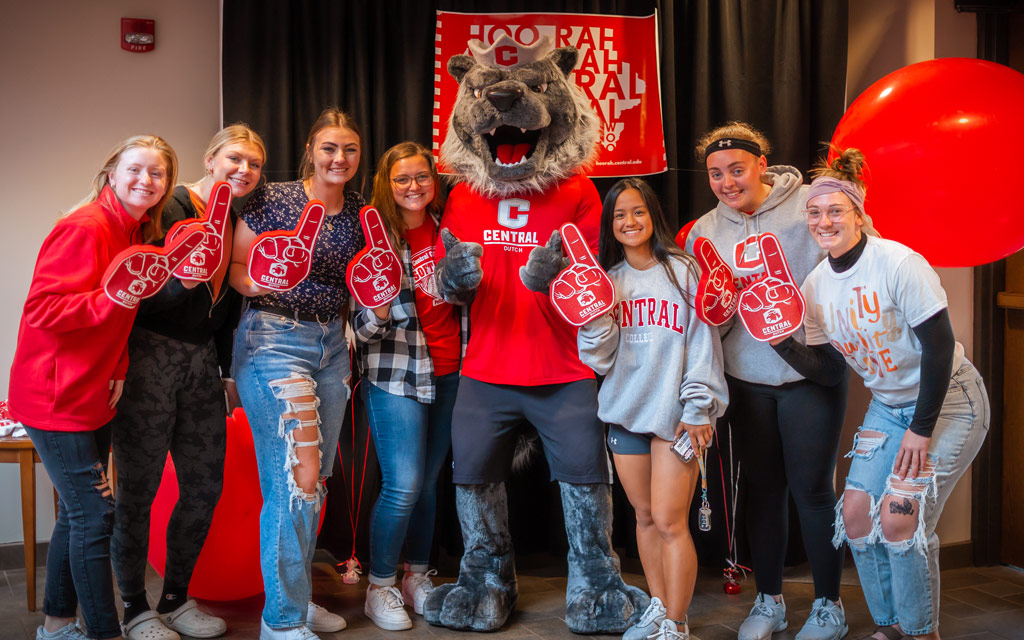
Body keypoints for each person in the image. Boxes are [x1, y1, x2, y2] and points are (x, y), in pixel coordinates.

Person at [770, 148, 989, 640]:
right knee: (854, 516)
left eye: (835, 211)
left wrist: (921, 430)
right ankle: (891, 625)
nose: (824, 221)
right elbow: (828, 371)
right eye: (814, 212)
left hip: (948, 400)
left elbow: (936, 350)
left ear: (859, 215)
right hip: (889, 406)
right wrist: (780, 342)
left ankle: (920, 632)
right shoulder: (815, 285)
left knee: (899, 521)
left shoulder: (898, 263)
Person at [8, 135, 178, 640]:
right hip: (54, 395)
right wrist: (113, 297)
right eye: (136, 169)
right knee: (96, 512)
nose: (146, 180)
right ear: (112, 173)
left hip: (94, 390)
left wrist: (120, 365)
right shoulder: (85, 227)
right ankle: (105, 632)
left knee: (78, 514)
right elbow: (42, 309)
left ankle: (58, 626)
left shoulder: (136, 230)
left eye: (157, 173)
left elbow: (118, 317)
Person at [683, 122, 849, 640]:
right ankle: (770, 600)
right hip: (747, 379)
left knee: (814, 492)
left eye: (737, 169)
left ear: (761, 164)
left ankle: (829, 606)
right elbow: (706, 315)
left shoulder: (809, 204)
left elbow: (856, 260)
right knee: (762, 491)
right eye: (715, 173)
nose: (728, 182)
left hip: (810, 373)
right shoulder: (705, 230)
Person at [109, 125, 266, 640]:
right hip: (150, 359)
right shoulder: (172, 205)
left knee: (203, 487)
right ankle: (134, 607)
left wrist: (223, 371)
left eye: (255, 164)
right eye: (235, 159)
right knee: (138, 490)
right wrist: (182, 283)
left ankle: (175, 597)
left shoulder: (239, 220)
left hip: (201, 366)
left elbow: (225, 308)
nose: (244, 170)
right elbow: (139, 291)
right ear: (211, 159)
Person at [229, 108, 364, 640]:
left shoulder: (360, 211)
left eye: (350, 149)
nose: (339, 158)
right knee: (296, 477)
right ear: (311, 149)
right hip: (274, 339)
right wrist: (269, 277)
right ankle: (281, 622)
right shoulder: (273, 199)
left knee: (315, 482)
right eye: (329, 147)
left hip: (333, 345)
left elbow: (363, 281)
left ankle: (297, 601)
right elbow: (236, 271)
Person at [578, 178, 727, 640]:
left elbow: (704, 344)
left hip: (677, 417)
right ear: (610, 224)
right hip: (626, 414)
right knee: (643, 519)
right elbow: (598, 359)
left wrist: (699, 406)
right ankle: (659, 609)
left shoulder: (683, 271)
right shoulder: (608, 283)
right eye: (620, 215)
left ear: (652, 216)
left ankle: (678, 624)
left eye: (638, 211)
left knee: (668, 521)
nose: (629, 221)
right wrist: (595, 320)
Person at [351, 141, 460, 630]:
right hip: (395, 372)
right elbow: (359, 330)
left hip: (453, 369)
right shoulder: (374, 239)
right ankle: (379, 586)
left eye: (421, 177)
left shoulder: (448, 232)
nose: (413, 187)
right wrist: (375, 309)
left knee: (430, 483)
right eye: (402, 179)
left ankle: (417, 575)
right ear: (386, 184)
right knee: (403, 484)